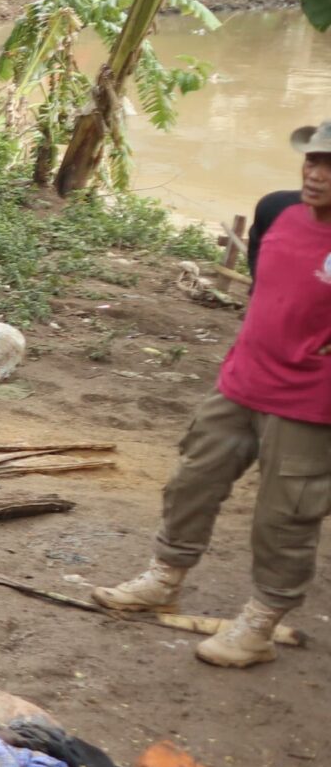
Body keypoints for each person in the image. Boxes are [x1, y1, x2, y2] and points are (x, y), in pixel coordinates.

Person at [95, 127, 331, 666]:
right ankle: (165, 577)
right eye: (313, 160)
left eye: (330, 166)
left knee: (285, 516)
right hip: (241, 383)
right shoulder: (278, 212)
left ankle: (260, 625)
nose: (316, 173)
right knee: (192, 480)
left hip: (311, 405)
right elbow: (265, 290)